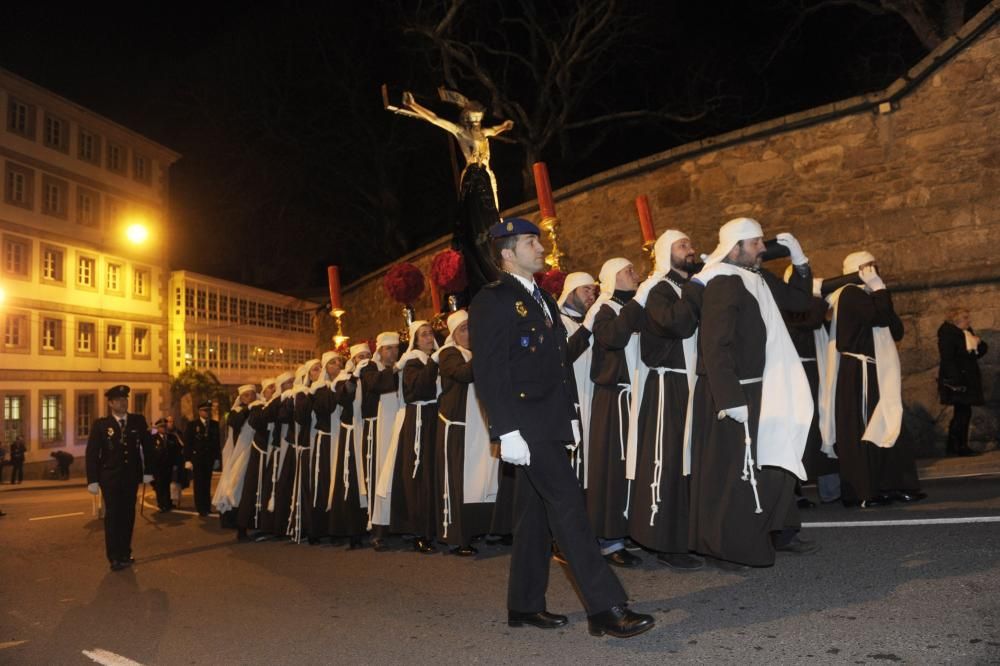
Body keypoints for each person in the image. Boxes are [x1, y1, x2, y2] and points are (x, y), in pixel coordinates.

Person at [469, 216, 653, 638]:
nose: (539, 246)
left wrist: (569, 413)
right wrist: (505, 429)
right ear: (507, 253)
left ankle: (525, 604)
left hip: (549, 419)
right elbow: (491, 370)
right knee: (570, 507)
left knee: (535, 515)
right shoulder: (493, 300)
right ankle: (606, 608)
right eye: (530, 241)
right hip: (524, 423)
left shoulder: (543, 300)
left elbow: (557, 364)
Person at [689, 218, 819, 569]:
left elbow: (799, 301)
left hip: (768, 388)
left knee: (776, 461)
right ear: (736, 247)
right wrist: (730, 399)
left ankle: (777, 530)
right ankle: (728, 547)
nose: (764, 249)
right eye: (757, 243)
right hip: (738, 393)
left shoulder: (756, 278)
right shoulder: (724, 282)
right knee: (737, 473)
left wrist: (801, 262)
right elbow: (715, 345)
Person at [823, 251, 924, 508]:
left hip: (877, 371)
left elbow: (896, 329)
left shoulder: (871, 296)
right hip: (860, 372)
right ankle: (863, 490)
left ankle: (893, 484)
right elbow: (876, 318)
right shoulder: (849, 293)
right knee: (865, 430)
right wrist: (880, 291)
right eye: (869, 267)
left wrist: (880, 292)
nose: (874, 271)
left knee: (889, 423)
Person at [628, 230, 704, 570]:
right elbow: (677, 325)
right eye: (683, 245)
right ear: (664, 253)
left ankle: (688, 535)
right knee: (667, 460)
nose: (691, 250)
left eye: (691, 244)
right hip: (666, 385)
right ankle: (664, 540)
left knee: (689, 460)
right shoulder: (658, 289)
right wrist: (695, 289)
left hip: (689, 383)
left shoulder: (688, 288)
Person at [582, 257, 645, 568]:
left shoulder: (630, 305)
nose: (636, 274)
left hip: (634, 396)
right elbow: (614, 338)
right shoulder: (604, 309)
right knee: (612, 467)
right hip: (613, 398)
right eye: (628, 271)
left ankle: (627, 528)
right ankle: (609, 540)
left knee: (631, 466)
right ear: (610, 278)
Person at [433, 310, 498, 556]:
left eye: (472, 327)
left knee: (481, 479)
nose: (469, 333)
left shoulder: (476, 354)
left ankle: (483, 529)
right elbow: (461, 374)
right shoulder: (449, 354)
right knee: (459, 480)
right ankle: (457, 536)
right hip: (457, 427)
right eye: (463, 329)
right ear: (453, 335)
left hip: (478, 427)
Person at [781, 265, 840, 504]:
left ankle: (830, 488)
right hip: (793, 375)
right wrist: (815, 297)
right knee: (796, 432)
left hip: (815, 371)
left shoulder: (805, 309)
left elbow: (821, 323)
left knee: (823, 426)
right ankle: (793, 493)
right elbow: (810, 321)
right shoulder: (784, 307)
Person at [383, 320, 440, 553]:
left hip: (434, 418)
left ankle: (433, 527)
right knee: (419, 475)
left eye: (430, 334)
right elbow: (418, 390)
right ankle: (419, 531)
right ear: (415, 340)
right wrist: (433, 364)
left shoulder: (434, 359)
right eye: (423, 335)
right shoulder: (414, 361)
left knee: (432, 474)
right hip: (419, 419)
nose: (428, 338)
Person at [86, 385, 154, 571]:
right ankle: (114, 556)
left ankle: (125, 551)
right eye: (118, 400)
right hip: (110, 477)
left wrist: (148, 471)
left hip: (131, 476)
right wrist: (92, 479)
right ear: (110, 403)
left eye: (125, 400)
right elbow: (92, 453)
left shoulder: (137, 421)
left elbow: (148, 447)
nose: (123, 403)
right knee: (113, 516)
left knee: (128, 516)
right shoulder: (101, 425)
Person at [358, 333, 402, 551]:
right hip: (378, 429)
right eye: (388, 349)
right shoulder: (369, 368)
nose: (393, 353)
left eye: (396, 348)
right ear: (380, 350)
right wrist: (393, 371)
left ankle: (398, 524)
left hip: (399, 426)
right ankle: (378, 529)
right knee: (378, 477)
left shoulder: (401, 368)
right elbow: (374, 384)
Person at [557, 272, 598, 485]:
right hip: (574, 402)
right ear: (570, 292)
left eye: (594, 291)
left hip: (594, 398)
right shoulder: (557, 322)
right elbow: (564, 356)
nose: (591, 295)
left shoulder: (592, 321)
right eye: (586, 290)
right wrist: (587, 327)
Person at [328, 345, 370, 547]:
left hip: (369, 433)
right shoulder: (343, 380)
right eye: (359, 357)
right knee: (351, 481)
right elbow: (344, 397)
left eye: (367, 356)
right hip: (351, 434)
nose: (363, 359)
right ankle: (353, 530)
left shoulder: (373, 374)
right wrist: (355, 377)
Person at [938, 308, 988, 457]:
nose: (969, 320)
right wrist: (955, 381)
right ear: (956, 320)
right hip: (958, 380)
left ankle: (957, 446)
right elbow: (948, 359)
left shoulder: (966, 333)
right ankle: (959, 446)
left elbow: (978, 352)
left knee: (963, 412)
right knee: (962, 413)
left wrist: (978, 343)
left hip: (967, 378)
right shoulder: (948, 334)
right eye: (965, 318)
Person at [214, 385, 258, 531]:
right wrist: (248, 409)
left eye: (252, 395)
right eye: (246, 395)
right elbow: (236, 422)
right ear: (240, 398)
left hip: (254, 453)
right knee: (235, 487)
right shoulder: (235, 412)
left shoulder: (258, 409)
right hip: (238, 456)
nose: (250, 398)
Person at [184, 401, 221, 516]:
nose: (207, 412)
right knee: (199, 483)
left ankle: (207, 506)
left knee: (207, 483)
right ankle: (200, 508)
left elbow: (217, 443)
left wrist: (217, 458)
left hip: (209, 458)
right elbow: (188, 443)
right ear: (199, 411)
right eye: (205, 410)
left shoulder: (214, 424)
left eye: (209, 410)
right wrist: (188, 459)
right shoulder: (192, 425)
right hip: (197, 458)